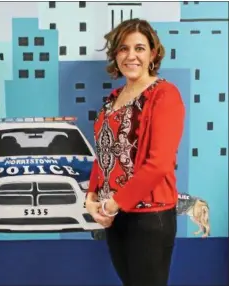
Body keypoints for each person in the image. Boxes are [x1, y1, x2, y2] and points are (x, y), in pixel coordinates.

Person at [85, 18, 185, 286]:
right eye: (123, 48)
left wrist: (114, 203)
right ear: (115, 54)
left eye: (139, 48)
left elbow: (159, 163)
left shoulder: (164, 94)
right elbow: (103, 153)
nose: (131, 56)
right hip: (114, 215)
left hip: (149, 218)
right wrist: (91, 197)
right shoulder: (113, 98)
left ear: (153, 54)